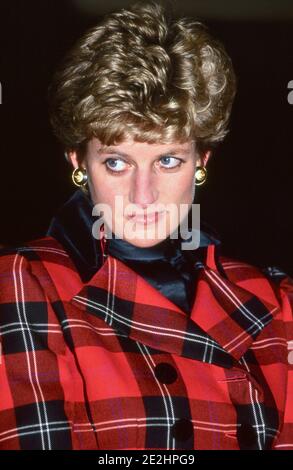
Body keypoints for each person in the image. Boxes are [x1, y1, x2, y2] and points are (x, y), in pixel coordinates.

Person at [0, 1, 292, 451]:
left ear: (202, 162)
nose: (143, 195)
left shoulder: (276, 302)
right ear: (78, 162)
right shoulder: (24, 282)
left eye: (168, 160)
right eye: (116, 162)